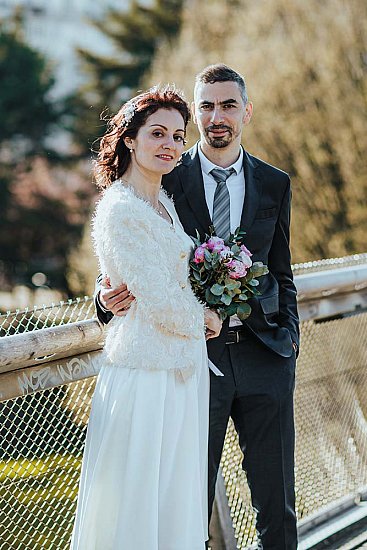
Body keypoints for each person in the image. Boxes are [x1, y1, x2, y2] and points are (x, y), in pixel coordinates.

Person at [96, 65, 300, 550]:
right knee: (185, 500)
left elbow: (282, 270)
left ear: (245, 112)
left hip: (264, 355)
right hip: (190, 365)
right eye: (206, 105)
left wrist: (289, 340)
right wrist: (104, 301)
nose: (217, 116)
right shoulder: (165, 172)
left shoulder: (275, 183)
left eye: (228, 105)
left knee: (277, 501)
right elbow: (132, 248)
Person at [71, 86, 222, 550]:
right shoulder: (120, 209)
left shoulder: (165, 205)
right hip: (145, 375)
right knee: (138, 503)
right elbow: (156, 297)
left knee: (173, 500)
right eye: (157, 133)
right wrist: (207, 318)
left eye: (178, 136)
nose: (170, 146)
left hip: (180, 370)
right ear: (130, 140)